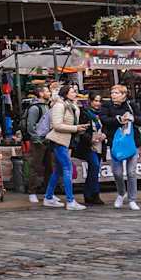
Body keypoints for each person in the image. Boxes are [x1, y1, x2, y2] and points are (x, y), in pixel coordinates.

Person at [99, 84, 141, 211]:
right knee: (117, 172)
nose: (113, 95)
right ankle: (121, 193)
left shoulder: (131, 105)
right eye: (112, 92)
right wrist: (119, 119)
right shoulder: (107, 105)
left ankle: (132, 199)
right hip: (115, 143)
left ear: (124, 94)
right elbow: (104, 119)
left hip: (131, 142)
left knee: (131, 172)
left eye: (116, 93)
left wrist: (132, 118)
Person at [41, 82, 89, 211]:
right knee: (67, 168)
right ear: (66, 93)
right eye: (73, 91)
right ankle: (70, 200)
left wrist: (79, 128)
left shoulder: (71, 105)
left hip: (66, 141)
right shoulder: (59, 105)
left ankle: (49, 197)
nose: (75, 93)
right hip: (58, 140)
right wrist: (75, 128)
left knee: (58, 170)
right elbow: (57, 125)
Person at [73, 92, 107, 206]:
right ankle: (94, 194)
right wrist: (90, 138)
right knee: (94, 165)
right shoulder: (85, 114)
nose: (97, 103)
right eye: (95, 101)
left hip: (99, 145)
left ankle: (89, 194)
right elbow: (82, 131)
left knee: (95, 169)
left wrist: (104, 135)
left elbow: (106, 127)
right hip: (88, 146)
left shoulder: (102, 114)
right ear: (90, 101)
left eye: (99, 101)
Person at [23, 84, 54, 204]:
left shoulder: (47, 106)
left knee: (50, 167)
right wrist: (37, 139)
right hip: (38, 141)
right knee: (35, 166)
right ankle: (32, 192)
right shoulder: (35, 108)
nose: (49, 93)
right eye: (47, 91)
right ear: (41, 93)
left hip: (48, 139)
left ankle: (48, 192)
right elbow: (31, 126)